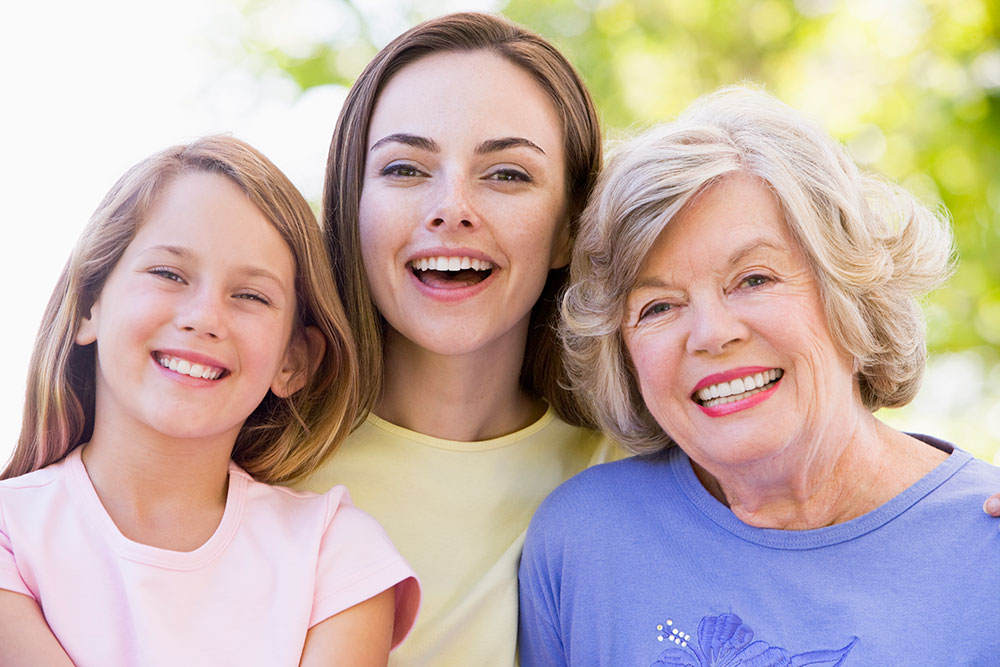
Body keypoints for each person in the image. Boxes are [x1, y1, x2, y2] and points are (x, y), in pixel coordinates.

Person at [518, 87, 1000, 665]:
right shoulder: (583, 543)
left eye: (754, 279)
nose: (710, 334)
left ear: (849, 290)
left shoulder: (987, 543)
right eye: (659, 307)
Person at [0, 136, 419, 666]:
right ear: (88, 305)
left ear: (294, 361)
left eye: (250, 296)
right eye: (168, 274)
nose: (204, 317)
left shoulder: (336, 554)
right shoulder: (10, 534)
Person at [292, 12, 615, 665]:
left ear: (568, 229)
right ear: (351, 206)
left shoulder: (627, 471)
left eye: (507, 174)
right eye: (406, 169)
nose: (452, 207)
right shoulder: (257, 462)